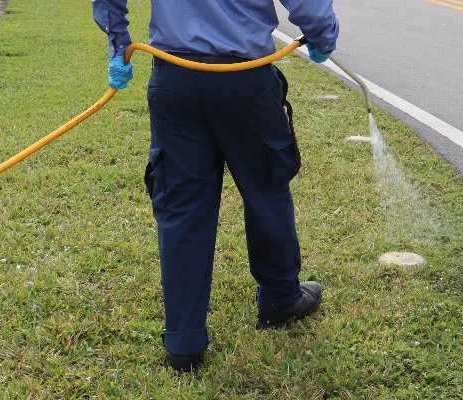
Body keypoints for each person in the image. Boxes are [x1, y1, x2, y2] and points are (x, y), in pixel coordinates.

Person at [92, 0, 339, 372]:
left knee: (182, 209)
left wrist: (118, 45)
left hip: (174, 80)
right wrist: (322, 36)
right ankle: (278, 299)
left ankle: (184, 340)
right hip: (246, 81)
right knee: (266, 190)